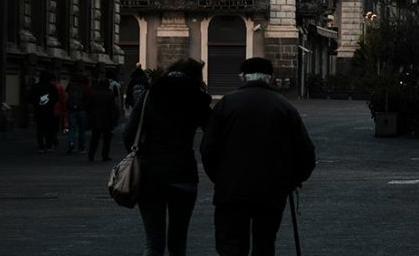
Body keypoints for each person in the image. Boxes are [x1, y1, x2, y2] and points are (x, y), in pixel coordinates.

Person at [201, 57, 316, 256]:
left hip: (232, 190)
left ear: (243, 77)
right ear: (270, 78)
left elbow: (208, 148)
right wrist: (291, 180)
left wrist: (220, 178)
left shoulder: (227, 103)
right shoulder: (285, 107)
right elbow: (305, 153)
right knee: (265, 244)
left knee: (231, 245)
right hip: (271, 189)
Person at [124, 59, 212, 256]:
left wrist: (141, 154)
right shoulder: (197, 98)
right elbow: (213, 135)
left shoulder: (149, 95)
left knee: (153, 242)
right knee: (178, 241)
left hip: (149, 173)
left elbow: (128, 133)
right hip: (183, 172)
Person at [87, 78, 119, 162]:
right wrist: (114, 122)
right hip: (107, 120)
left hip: (95, 119)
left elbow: (88, 107)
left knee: (94, 138)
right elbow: (112, 109)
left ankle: (91, 154)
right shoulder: (109, 94)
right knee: (107, 140)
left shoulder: (93, 94)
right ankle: (105, 155)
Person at [29, 71, 59, 152]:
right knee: (49, 129)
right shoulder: (51, 87)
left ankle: (41, 146)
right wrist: (50, 103)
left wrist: (37, 103)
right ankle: (49, 145)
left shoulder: (35, 86)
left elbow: (31, 98)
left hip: (38, 111)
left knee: (40, 129)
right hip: (49, 111)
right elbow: (56, 98)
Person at [65, 72, 91, 154]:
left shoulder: (70, 86)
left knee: (72, 129)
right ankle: (81, 148)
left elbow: (67, 96)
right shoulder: (86, 88)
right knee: (82, 130)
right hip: (82, 111)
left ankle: (71, 143)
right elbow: (88, 100)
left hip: (72, 110)